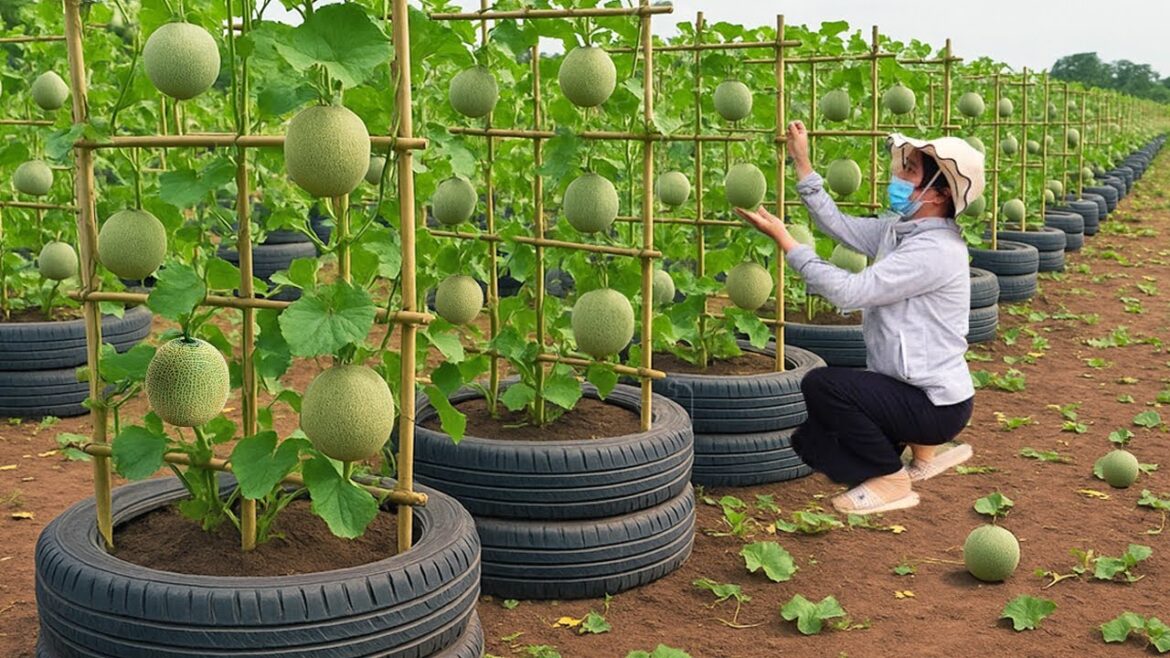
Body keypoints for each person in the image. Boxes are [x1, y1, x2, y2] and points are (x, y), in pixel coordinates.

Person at [734, 120, 984, 515]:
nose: (898, 177)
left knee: (823, 386)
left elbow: (848, 293)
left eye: (910, 172)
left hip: (935, 403)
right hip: (919, 389)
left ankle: (891, 479)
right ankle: (924, 455)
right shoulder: (903, 230)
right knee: (811, 442)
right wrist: (803, 165)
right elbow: (841, 227)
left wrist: (788, 244)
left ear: (937, 193)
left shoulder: (935, 252)